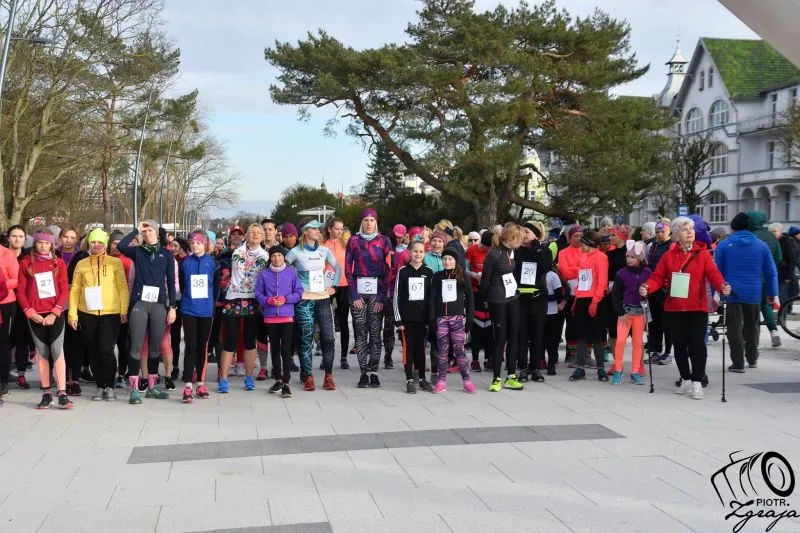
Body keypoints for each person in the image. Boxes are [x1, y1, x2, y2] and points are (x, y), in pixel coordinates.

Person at [640, 216, 730, 400]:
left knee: (697, 344)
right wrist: (647, 287)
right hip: (674, 307)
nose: (689, 232)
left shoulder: (703, 254)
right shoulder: (669, 256)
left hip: (697, 307)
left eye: (691, 228)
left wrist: (722, 286)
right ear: (675, 235)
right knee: (679, 346)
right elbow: (658, 277)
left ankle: (697, 382)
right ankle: (686, 378)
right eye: (684, 229)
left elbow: (713, 274)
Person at [118, 220, 177, 404]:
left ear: (157, 233)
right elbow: (121, 246)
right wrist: (136, 230)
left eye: (151, 230)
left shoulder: (166, 254)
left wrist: (172, 307)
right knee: (136, 346)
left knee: (154, 348)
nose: (148, 233)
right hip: (139, 303)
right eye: (145, 231)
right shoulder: (138, 251)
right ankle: (134, 390)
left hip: (158, 304)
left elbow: (171, 282)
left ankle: (152, 387)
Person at [68, 228, 129, 402]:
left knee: (106, 349)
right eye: (93, 242)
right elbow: (75, 290)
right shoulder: (82, 264)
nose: (96, 245)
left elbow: (123, 287)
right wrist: (72, 314)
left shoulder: (114, 263)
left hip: (111, 313)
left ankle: (110, 386)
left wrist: (124, 310)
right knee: (93, 350)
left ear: (105, 244)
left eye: (100, 242)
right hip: (87, 313)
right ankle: (100, 386)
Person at [715, 213, 779, 372]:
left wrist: (714, 293)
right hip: (754, 292)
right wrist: (773, 293)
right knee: (752, 326)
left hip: (731, 292)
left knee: (733, 328)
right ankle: (752, 358)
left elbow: (716, 271)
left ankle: (738, 363)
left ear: (732, 227)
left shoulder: (724, 245)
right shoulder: (761, 246)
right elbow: (771, 272)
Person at [17, 229, 73, 409]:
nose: (43, 246)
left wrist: (55, 312)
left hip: (54, 314)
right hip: (35, 314)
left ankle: (62, 393)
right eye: (40, 242)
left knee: (57, 350)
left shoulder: (59, 263)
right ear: (35, 244)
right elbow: (20, 290)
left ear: (52, 245)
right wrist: (29, 311)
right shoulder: (26, 262)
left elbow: (64, 290)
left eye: (47, 243)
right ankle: (46, 393)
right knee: (42, 352)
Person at [285, 219, 341, 391]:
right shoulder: (295, 252)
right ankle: (308, 376)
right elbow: (283, 269)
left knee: (328, 337)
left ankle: (329, 375)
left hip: (323, 298)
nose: (318, 232)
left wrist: (334, 286)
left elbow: (338, 268)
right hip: (304, 299)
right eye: (314, 229)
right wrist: (293, 289)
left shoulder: (324, 250)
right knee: (306, 338)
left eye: (319, 229)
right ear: (305, 231)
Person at [217, 223, 269, 393]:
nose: (255, 234)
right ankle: (223, 378)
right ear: (247, 235)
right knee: (230, 340)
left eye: (259, 232)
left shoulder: (265, 255)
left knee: (249, 340)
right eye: (252, 232)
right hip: (235, 297)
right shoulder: (238, 252)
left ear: (262, 236)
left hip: (253, 299)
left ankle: (248, 377)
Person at [345, 208, 392, 388]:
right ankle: (363, 372)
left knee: (375, 332)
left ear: (376, 222)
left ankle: (374, 372)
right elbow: (347, 268)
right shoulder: (354, 241)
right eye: (365, 220)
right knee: (360, 332)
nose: (368, 223)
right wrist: (354, 294)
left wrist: (381, 297)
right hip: (358, 291)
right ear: (361, 222)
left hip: (377, 291)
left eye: (372, 220)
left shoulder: (384, 241)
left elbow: (389, 270)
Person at [480, 224, 525, 391]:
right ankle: (496, 378)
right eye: (519, 239)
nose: (521, 242)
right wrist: (485, 298)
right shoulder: (494, 254)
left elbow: (512, 273)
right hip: (497, 299)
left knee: (513, 337)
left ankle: (511, 376)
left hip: (512, 297)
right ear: (511, 239)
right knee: (500, 338)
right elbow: (485, 280)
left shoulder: (511, 252)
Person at [255, 245, 304, 398]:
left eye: (279, 255)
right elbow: (258, 293)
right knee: (275, 349)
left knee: (286, 350)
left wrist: (286, 299)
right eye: (274, 256)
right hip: (270, 316)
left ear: (284, 257)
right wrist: (268, 301)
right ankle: (278, 379)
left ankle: (286, 382)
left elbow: (299, 292)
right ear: (270, 258)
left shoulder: (291, 272)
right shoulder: (264, 274)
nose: (276, 259)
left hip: (287, 315)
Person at [178, 230, 220, 402]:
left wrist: (211, 306)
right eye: (192, 242)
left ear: (205, 244)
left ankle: (201, 384)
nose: (194, 245)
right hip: (189, 309)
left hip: (206, 311)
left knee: (203, 347)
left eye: (198, 242)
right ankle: (188, 385)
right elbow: (182, 286)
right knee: (191, 346)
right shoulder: (185, 263)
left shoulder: (213, 263)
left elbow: (216, 288)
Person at [429, 248, 475, 393]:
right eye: (444, 259)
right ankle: (442, 381)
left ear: (455, 261)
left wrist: (470, 319)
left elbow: (470, 299)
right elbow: (432, 298)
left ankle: (467, 380)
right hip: (441, 318)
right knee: (442, 350)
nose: (447, 262)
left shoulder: (463, 276)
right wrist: (432, 318)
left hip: (457, 319)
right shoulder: (437, 276)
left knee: (459, 350)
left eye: (450, 259)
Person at [568, 230, 610, 383]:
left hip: (595, 300)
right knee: (581, 336)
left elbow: (602, 282)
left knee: (596, 336)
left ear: (589, 243)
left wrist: (595, 301)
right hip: (582, 299)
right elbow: (582, 280)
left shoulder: (600, 257)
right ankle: (580, 368)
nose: (580, 246)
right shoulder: (584, 256)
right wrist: (576, 300)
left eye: (582, 243)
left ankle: (601, 368)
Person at [393, 240, 434, 394]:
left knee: (421, 349)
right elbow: (397, 296)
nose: (418, 254)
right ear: (410, 252)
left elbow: (431, 298)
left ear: (425, 254)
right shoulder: (403, 271)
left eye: (421, 251)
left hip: (422, 319)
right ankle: (409, 379)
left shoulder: (428, 272)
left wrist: (430, 319)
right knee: (408, 348)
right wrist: (398, 320)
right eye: (415, 251)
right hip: (407, 319)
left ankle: (422, 378)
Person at [609, 241, 651, 385]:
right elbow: (615, 294)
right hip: (625, 313)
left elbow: (652, 289)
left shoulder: (647, 272)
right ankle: (618, 369)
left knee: (638, 343)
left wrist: (647, 292)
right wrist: (620, 312)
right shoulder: (621, 273)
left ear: (640, 258)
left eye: (632, 257)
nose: (629, 259)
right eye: (627, 256)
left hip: (640, 313)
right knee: (620, 341)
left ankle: (635, 371)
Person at [515, 221, 552, 383]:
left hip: (538, 298)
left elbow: (545, 267)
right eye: (522, 231)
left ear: (535, 234)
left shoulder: (544, 250)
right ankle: (523, 368)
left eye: (527, 232)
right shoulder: (517, 251)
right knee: (522, 335)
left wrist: (535, 247)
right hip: (521, 298)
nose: (524, 235)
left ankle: (535, 367)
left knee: (537, 334)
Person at [746, 211, 782, 348]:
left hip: (751, 277)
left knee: (750, 307)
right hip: (766, 278)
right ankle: (774, 331)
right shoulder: (771, 237)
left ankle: (752, 338)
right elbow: (779, 257)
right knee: (766, 305)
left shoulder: (749, 236)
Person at [324, 216, 352, 369]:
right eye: (337, 229)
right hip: (327, 285)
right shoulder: (323, 245)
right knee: (325, 321)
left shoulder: (346, 244)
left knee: (343, 321)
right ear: (329, 229)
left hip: (343, 284)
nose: (340, 231)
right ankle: (326, 357)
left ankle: (343, 357)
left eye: (342, 229)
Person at [646, 220, 673, 365]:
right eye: (657, 232)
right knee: (654, 322)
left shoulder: (672, 245)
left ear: (669, 232)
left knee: (666, 322)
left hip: (665, 289)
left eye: (663, 232)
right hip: (653, 287)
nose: (660, 234)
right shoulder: (653, 245)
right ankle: (655, 350)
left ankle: (667, 352)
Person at [557, 226, 585, 366]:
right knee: (571, 324)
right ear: (569, 238)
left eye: (581, 236)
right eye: (575, 236)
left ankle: (584, 353)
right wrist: (579, 269)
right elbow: (565, 273)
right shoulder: (563, 252)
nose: (579, 238)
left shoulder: (586, 251)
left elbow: (589, 270)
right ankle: (571, 353)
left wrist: (574, 269)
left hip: (585, 292)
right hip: (570, 293)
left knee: (583, 324)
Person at [465, 230, 493, 372]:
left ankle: (489, 358)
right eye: (486, 247)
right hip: (475, 291)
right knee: (476, 326)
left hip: (489, 292)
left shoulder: (492, 252)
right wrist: (474, 275)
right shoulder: (471, 250)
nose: (487, 250)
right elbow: (464, 269)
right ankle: (475, 359)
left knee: (489, 326)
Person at [109, 230, 133, 387]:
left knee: (123, 343)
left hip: (123, 306)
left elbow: (130, 286)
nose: (117, 247)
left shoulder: (128, 261)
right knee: (108, 344)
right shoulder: (105, 259)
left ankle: (122, 374)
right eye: (114, 243)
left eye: (120, 244)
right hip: (107, 306)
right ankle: (109, 372)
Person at [0, 230, 21, 396]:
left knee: (3, 343)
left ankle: (3, 382)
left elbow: (17, 279)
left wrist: (2, 285)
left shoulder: (7, 254)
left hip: (5, 304)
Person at [168, 237, 189, 382]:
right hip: (174, 301)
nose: (173, 248)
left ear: (182, 246)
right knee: (174, 336)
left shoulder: (188, 261)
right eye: (171, 246)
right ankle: (174, 366)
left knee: (189, 337)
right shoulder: (170, 260)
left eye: (175, 246)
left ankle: (188, 368)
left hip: (186, 301)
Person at [771, 222, 800, 308]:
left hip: (784, 274)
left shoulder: (787, 241)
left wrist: (789, 275)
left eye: (775, 231)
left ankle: (783, 314)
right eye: (771, 231)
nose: (773, 233)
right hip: (775, 273)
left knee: (782, 295)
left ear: (780, 231)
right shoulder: (772, 241)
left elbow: (792, 259)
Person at [543, 265, 566, 375]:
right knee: (538, 339)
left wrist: (543, 297)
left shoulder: (553, 276)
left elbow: (559, 295)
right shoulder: (534, 273)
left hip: (551, 312)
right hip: (536, 312)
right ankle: (538, 361)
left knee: (551, 340)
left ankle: (551, 363)